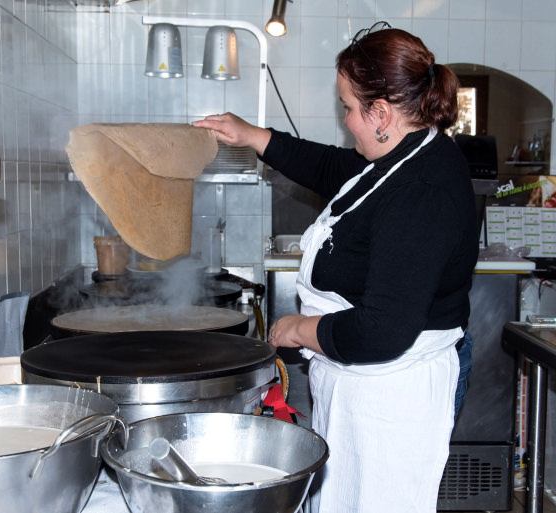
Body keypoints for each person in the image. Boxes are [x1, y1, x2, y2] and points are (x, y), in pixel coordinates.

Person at [193, 22, 478, 513]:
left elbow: (382, 331)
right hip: (366, 384)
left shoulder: (421, 192)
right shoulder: (402, 153)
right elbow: (332, 168)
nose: (345, 119)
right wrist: (251, 135)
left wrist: (300, 329)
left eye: (348, 107)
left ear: (382, 112)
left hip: (393, 395)